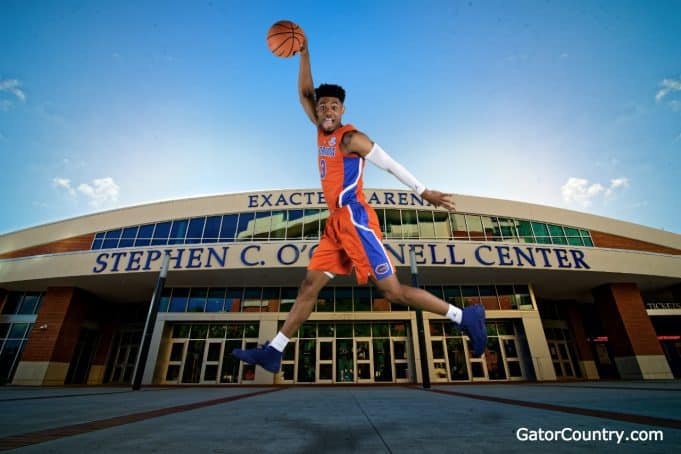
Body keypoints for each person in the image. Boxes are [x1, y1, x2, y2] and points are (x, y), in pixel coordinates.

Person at [233, 38, 486, 375]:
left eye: (333, 106)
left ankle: (463, 316)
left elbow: (388, 162)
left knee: (393, 292)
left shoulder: (350, 139)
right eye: (323, 106)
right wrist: (304, 52)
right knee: (310, 284)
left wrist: (423, 191)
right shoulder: (320, 131)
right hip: (335, 224)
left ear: (342, 111)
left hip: (356, 220)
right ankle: (275, 350)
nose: (326, 110)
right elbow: (305, 94)